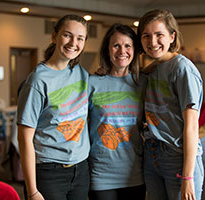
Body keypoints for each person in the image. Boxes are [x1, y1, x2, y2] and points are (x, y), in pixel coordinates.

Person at [17, 14, 90, 200]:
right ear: (54, 36)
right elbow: (24, 139)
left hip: (81, 169)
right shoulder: (37, 80)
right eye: (67, 35)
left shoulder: (81, 73)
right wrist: (32, 191)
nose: (74, 42)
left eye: (80, 38)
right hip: (49, 172)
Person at [137, 9, 204, 200]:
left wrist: (188, 176)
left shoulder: (182, 69)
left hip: (178, 157)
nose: (153, 42)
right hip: (152, 154)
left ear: (172, 36)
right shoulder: (152, 69)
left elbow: (191, 126)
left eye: (159, 35)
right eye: (146, 36)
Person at [87, 23, 147, 200]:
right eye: (116, 45)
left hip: (134, 172)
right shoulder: (92, 83)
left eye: (128, 45)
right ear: (107, 50)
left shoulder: (143, 82)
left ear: (135, 50)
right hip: (101, 173)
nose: (122, 51)